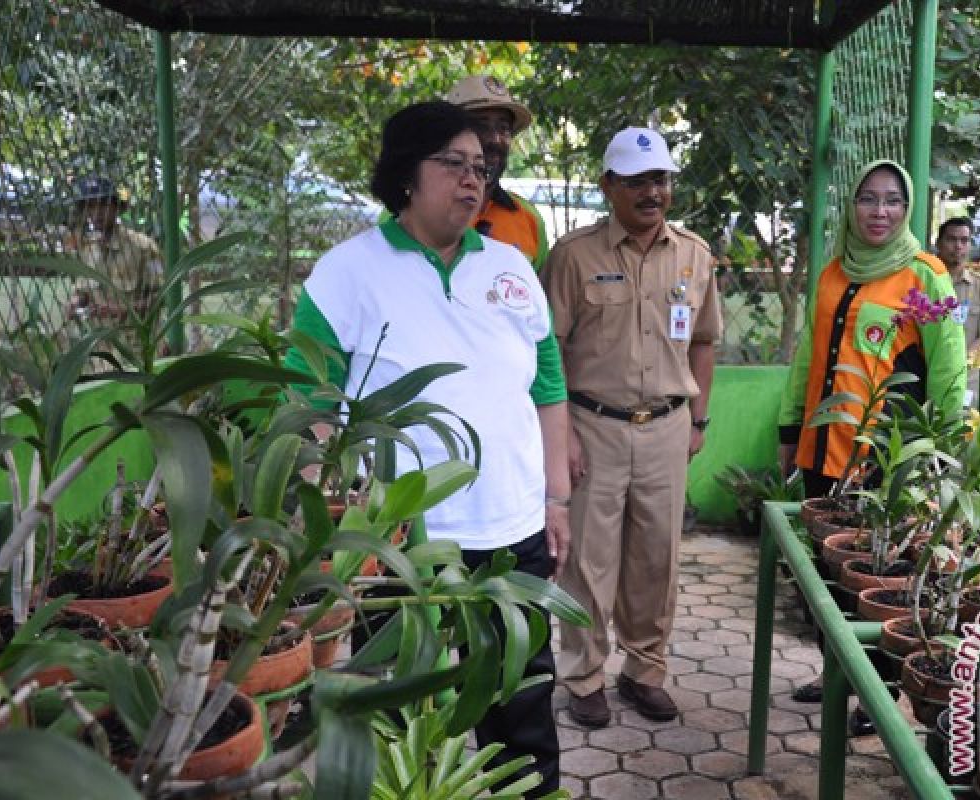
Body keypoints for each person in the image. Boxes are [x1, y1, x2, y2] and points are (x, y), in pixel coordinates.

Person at [283, 101, 570, 797]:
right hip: (398, 540)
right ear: (406, 173)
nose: (474, 180)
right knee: (399, 706)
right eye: (454, 164)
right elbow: (310, 403)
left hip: (511, 532)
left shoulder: (511, 267)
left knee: (522, 706)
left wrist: (557, 497)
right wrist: (330, 518)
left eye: (481, 167)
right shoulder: (347, 271)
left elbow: (550, 383)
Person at [776, 160, 966, 734]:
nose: (879, 212)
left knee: (879, 581)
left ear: (909, 211)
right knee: (822, 578)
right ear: (852, 207)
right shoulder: (833, 272)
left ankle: (873, 697)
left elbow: (950, 371)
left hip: (886, 463)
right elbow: (808, 358)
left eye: (892, 201)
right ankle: (837, 675)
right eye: (868, 199)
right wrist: (790, 432)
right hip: (822, 451)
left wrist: (939, 457)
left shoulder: (929, 276)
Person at [543, 127, 723, 728]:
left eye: (661, 180)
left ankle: (645, 670)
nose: (653, 192)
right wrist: (561, 432)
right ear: (609, 187)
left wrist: (698, 421)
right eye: (638, 181)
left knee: (656, 559)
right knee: (587, 560)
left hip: (668, 427)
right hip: (592, 425)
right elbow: (552, 352)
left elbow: (703, 342)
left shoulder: (695, 255)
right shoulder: (574, 256)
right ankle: (584, 675)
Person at [446, 74, 549, 269]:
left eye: (504, 128)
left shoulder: (528, 218)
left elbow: (537, 298)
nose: (495, 139)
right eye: (480, 126)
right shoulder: (415, 210)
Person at [65, 176, 163, 325]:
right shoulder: (87, 249)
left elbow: (162, 297)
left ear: (116, 207)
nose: (96, 213)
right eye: (90, 207)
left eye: (102, 205)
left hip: (136, 342)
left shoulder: (144, 246)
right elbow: (83, 292)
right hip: (99, 342)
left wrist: (122, 310)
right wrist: (75, 302)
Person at [936, 216, 980, 405]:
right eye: (951, 239)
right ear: (939, 243)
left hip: (967, 377)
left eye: (964, 241)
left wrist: (961, 361)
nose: (958, 246)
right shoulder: (926, 281)